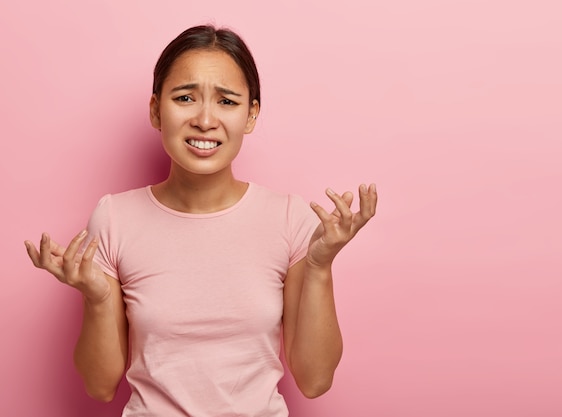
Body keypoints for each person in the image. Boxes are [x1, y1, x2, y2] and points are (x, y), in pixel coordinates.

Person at [24, 24, 377, 416]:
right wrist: (98, 297)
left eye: (226, 102)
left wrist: (319, 265)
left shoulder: (290, 218)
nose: (205, 120)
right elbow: (99, 385)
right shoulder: (114, 218)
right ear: (157, 110)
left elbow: (315, 380)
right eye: (186, 97)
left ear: (251, 115)